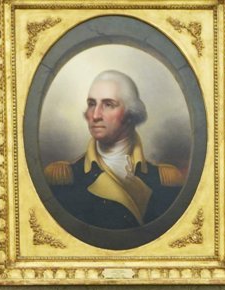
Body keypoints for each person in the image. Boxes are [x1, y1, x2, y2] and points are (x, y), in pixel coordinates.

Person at [44, 70, 185, 229]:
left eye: (108, 104)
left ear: (131, 113)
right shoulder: (63, 178)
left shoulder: (165, 180)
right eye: (92, 104)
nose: (95, 115)